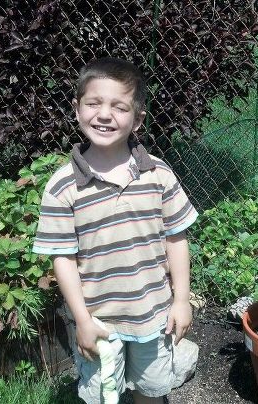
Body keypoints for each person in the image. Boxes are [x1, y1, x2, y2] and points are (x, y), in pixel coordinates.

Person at [32, 57, 198, 404]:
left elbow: (176, 239)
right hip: (99, 321)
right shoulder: (63, 187)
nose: (104, 115)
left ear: (137, 120)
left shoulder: (158, 175)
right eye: (94, 103)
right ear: (77, 110)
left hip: (154, 316)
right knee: (104, 396)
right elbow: (62, 257)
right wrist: (81, 319)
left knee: (151, 392)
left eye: (119, 107)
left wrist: (181, 300)